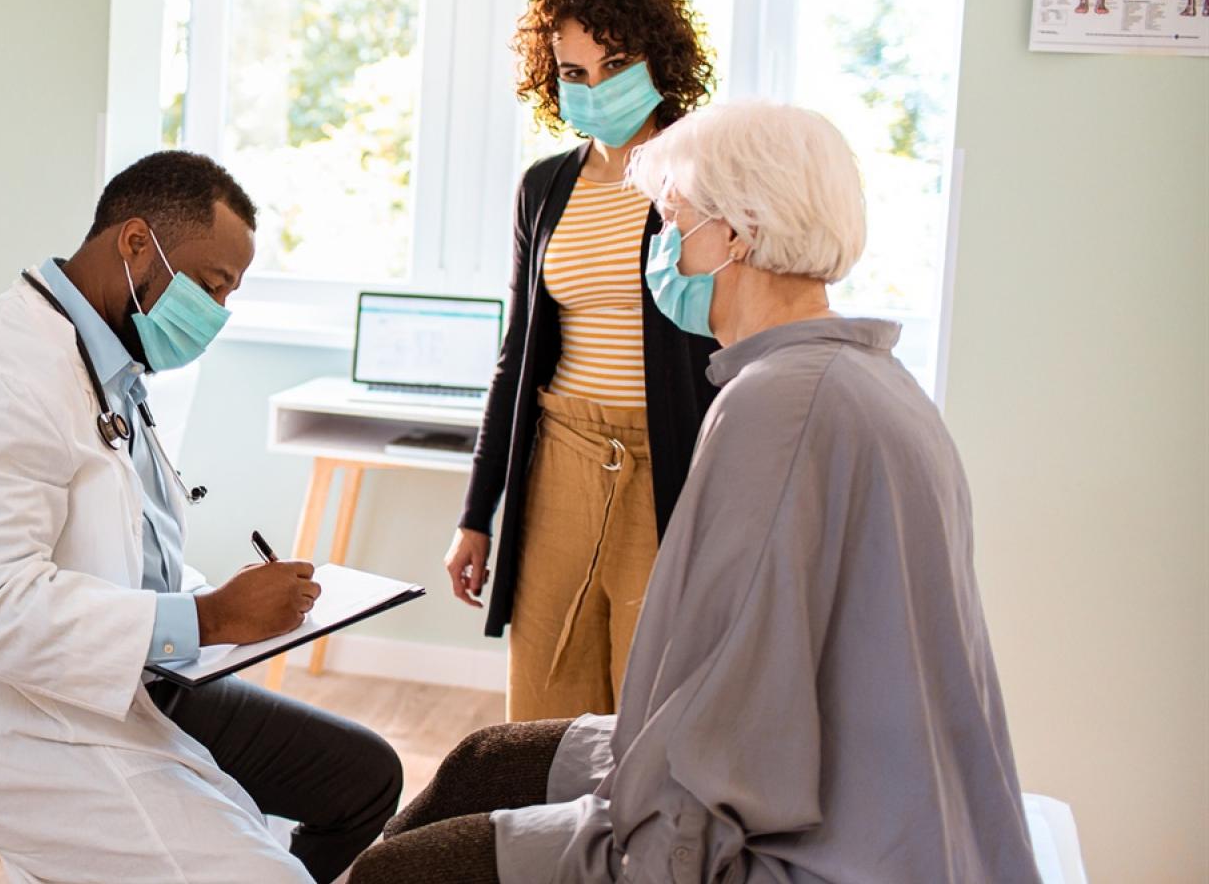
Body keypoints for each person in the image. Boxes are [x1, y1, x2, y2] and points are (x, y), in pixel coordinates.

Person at [355, 102, 1039, 883]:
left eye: (671, 220)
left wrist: (633, 844)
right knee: (484, 759)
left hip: (808, 834)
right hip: (837, 776)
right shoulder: (866, 378)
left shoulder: (776, 408)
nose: (661, 246)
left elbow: (726, 737)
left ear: (736, 232)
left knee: (399, 874)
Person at [0, 150, 403, 884]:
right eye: (212, 285)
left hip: (133, 678)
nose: (216, 314)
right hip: (16, 718)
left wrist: (215, 603)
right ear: (134, 243)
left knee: (364, 778)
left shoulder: (109, 366)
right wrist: (210, 618)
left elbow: (121, 542)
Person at [444, 0, 720, 722]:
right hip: (561, 459)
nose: (596, 88)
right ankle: (546, 842)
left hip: (668, 466)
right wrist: (476, 515)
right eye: (575, 70)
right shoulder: (544, 188)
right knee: (545, 697)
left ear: (659, 58)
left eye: (616, 64)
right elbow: (517, 358)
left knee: (653, 700)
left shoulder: (706, 177)